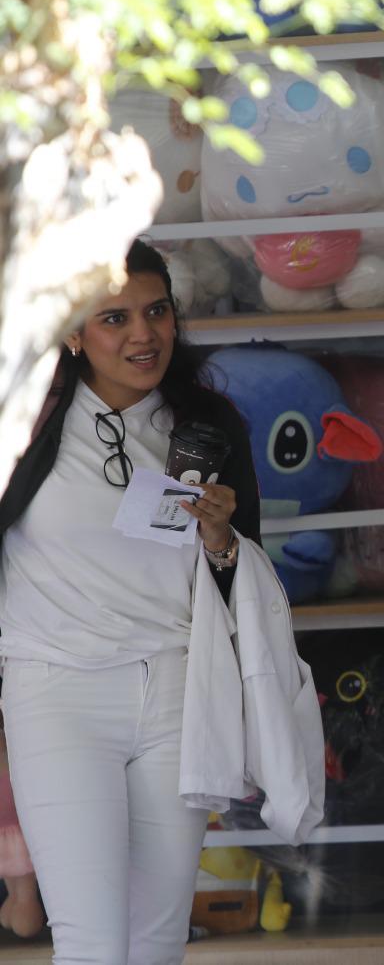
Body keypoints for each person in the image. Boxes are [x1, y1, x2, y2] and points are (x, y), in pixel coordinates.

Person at [0, 240, 261, 963]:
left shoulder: (209, 424)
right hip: (55, 689)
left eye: (157, 311)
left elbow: (247, 578)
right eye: (113, 318)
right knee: (89, 939)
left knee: (155, 941)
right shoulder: (22, 420)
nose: (142, 334)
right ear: (73, 333)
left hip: (178, 688)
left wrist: (219, 534)